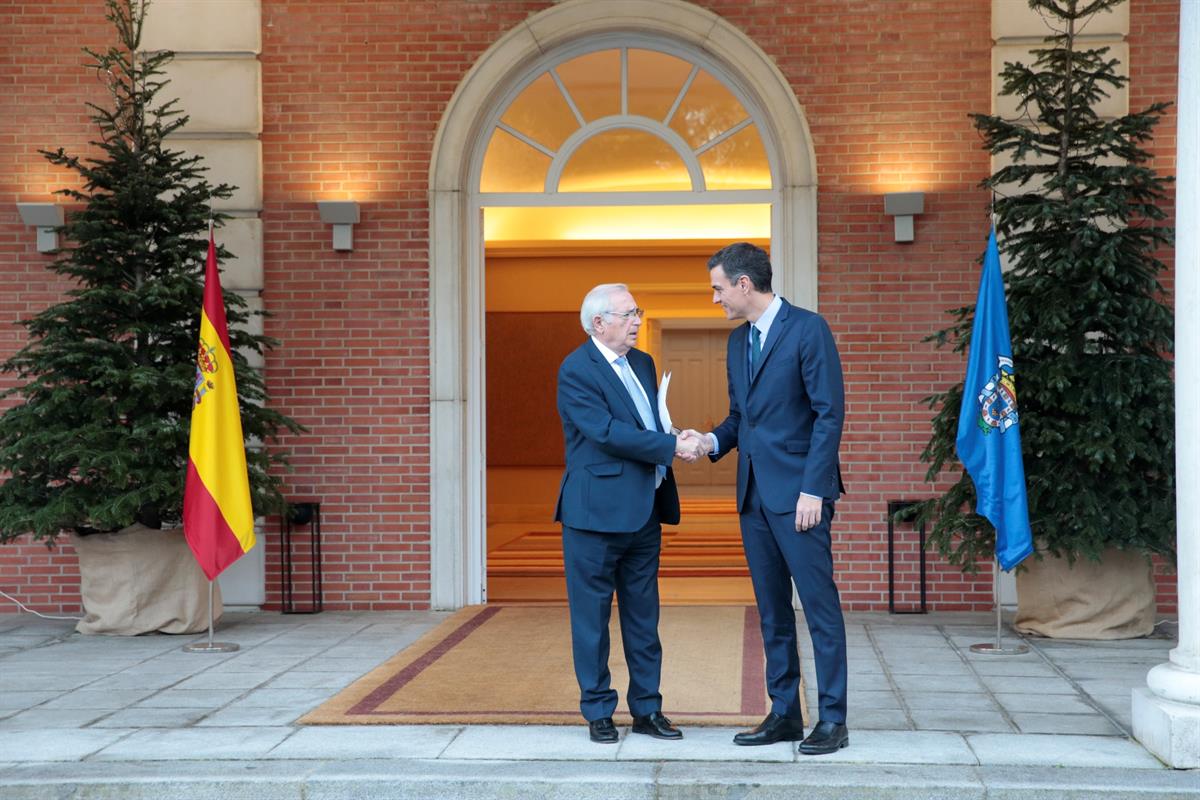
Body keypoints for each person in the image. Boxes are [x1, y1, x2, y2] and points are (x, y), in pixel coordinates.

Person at [686, 242, 850, 755]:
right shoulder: (737, 344)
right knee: (772, 611)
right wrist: (710, 442)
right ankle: (784, 713)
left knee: (819, 609)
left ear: (743, 284)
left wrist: (812, 490)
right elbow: (742, 419)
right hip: (753, 498)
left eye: (717, 288)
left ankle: (833, 719)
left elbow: (829, 414)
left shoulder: (808, 329)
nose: (714, 298)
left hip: (800, 497)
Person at [555, 283, 703, 744]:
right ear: (599, 322)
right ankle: (599, 710)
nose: (638, 320)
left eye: (638, 312)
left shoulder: (642, 362)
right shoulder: (576, 369)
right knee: (591, 620)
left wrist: (676, 433)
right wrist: (670, 447)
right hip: (593, 516)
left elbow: (645, 423)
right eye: (628, 313)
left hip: (643, 511)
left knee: (644, 617)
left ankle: (647, 710)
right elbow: (605, 433)